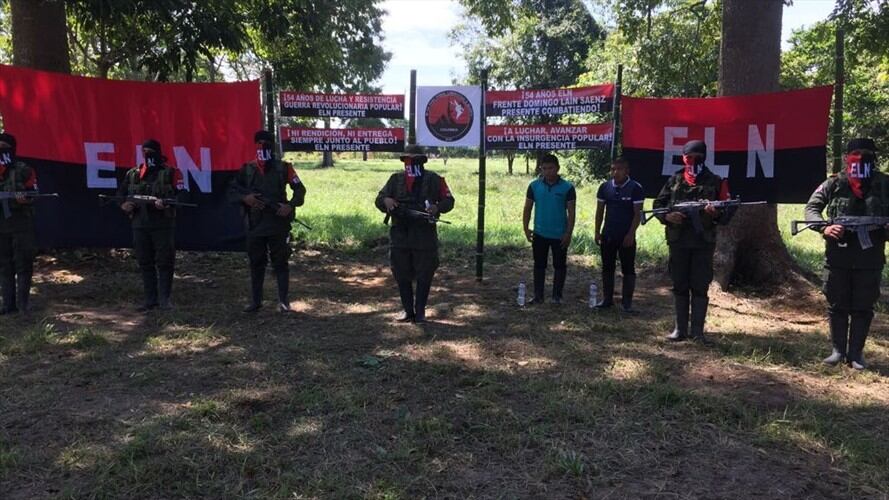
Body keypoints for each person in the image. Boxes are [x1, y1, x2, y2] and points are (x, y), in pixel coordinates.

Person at [804, 138, 887, 370]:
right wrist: (825, 228)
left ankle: (856, 354)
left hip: (869, 257)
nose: (860, 159)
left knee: (863, 306)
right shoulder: (834, 184)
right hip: (838, 257)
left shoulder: (884, 184)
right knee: (837, 304)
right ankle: (837, 351)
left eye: (866, 154)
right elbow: (811, 209)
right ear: (846, 158)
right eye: (856, 154)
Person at [653, 140, 732, 344]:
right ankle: (680, 329)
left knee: (699, 286)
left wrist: (714, 213)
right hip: (678, 241)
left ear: (704, 158)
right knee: (679, 284)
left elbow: (726, 215)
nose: (693, 161)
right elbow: (658, 206)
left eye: (697, 157)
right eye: (689, 157)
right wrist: (668, 217)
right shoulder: (675, 180)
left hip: (702, 243)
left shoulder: (715, 181)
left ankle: (697, 332)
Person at [228, 130, 306, 313]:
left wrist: (290, 206)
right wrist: (246, 198)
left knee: (280, 262)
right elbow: (231, 192)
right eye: (259, 142)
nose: (262, 146)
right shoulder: (247, 170)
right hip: (255, 225)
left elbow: (300, 190)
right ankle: (256, 301)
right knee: (256, 263)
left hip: (278, 223)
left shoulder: (284, 168)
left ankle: (284, 302)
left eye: (266, 143)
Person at [375, 144, 454, 323]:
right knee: (401, 273)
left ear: (422, 162)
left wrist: (436, 207)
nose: (410, 164)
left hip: (424, 235)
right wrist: (386, 201)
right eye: (407, 161)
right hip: (400, 234)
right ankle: (407, 311)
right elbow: (379, 199)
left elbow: (449, 200)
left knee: (425, 273)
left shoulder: (434, 179)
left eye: (415, 161)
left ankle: (420, 312)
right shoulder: (395, 179)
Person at [118, 139, 186, 312]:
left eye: (151, 151)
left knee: (165, 262)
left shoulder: (171, 173)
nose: (148, 155)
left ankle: (164, 299)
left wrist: (167, 203)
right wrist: (124, 205)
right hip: (139, 224)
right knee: (144, 262)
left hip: (163, 224)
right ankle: (150, 299)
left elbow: (184, 196)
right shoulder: (133, 174)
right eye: (145, 151)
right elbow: (120, 194)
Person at [522, 154, 576, 304]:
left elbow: (571, 212)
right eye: (544, 168)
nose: (548, 171)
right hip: (539, 233)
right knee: (539, 265)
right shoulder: (534, 186)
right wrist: (526, 228)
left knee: (559, 266)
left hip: (560, 234)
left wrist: (568, 233)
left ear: (557, 168)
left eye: (551, 168)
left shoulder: (568, 187)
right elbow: (527, 208)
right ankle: (538, 296)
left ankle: (557, 296)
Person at [594, 157, 644, 312]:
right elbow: (600, 211)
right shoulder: (604, 187)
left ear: (627, 171)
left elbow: (637, 214)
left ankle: (627, 303)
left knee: (628, 269)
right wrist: (597, 231)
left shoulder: (636, 188)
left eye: (619, 169)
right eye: (613, 169)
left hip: (626, 236)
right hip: (608, 234)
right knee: (607, 267)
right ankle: (607, 300)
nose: (616, 172)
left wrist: (631, 234)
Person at [0, 132, 38, 315]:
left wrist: (25, 199)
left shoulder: (23, 169)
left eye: (4, 148)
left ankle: (23, 305)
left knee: (23, 263)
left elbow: (34, 192)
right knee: (4, 265)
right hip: (1, 224)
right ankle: (8, 305)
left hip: (21, 222)